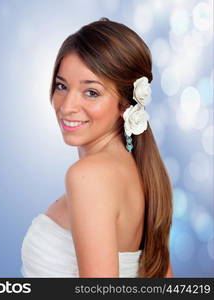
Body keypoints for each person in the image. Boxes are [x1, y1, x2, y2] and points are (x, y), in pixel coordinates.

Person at [21, 17, 173, 277]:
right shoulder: (142, 172)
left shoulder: (87, 176)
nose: (67, 106)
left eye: (91, 92)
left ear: (126, 103)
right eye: (61, 86)